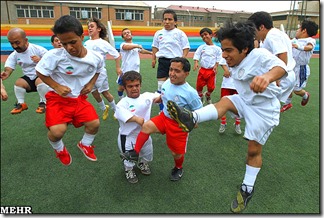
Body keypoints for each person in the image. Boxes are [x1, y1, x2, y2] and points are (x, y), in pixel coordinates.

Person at [167, 21, 288, 213]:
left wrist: (267, 77)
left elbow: (281, 66)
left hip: (264, 110)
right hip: (245, 100)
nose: (224, 55)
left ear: (245, 49)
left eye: (229, 50)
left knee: (253, 151)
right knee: (224, 101)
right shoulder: (233, 58)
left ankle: (247, 188)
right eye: (223, 49)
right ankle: (191, 118)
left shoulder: (259, 55)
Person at [35, 15, 104, 165]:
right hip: (57, 99)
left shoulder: (96, 57)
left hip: (78, 99)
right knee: (57, 132)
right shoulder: (55, 55)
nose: (69, 48)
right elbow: (40, 71)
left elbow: (98, 69)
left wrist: (91, 84)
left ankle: (85, 144)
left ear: (82, 36)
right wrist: (56, 86)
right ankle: (59, 149)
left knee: (94, 124)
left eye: (72, 42)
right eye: (64, 43)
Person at [121, 57, 203, 181]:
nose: (172, 73)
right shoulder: (167, 82)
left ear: (186, 74)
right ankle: (135, 153)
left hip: (178, 125)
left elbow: (200, 112)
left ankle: (178, 167)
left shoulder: (191, 93)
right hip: (164, 118)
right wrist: (161, 98)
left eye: (177, 71)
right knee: (147, 126)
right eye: (171, 69)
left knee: (176, 153)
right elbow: (164, 95)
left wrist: (194, 122)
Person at [114, 71, 160, 183]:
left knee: (147, 151)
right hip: (128, 137)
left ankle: (143, 163)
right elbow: (128, 117)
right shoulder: (122, 104)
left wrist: (162, 98)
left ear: (140, 85)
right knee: (130, 156)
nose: (134, 88)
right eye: (130, 86)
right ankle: (129, 169)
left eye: (137, 85)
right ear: (124, 88)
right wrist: (137, 119)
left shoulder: (147, 96)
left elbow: (160, 97)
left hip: (145, 134)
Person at [248, 11, 296, 112]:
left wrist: (277, 78)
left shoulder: (272, 36)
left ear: (261, 27)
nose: (253, 34)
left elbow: (282, 54)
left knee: (265, 108)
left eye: (253, 30)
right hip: (285, 75)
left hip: (282, 76)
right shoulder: (276, 34)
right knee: (268, 106)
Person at [1, 27, 49, 114]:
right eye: (12, 43)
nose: (15, 46)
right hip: (29, 79)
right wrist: (6, 73)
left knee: (40, 80)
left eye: (17, 42)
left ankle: (44, 103)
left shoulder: (38, 49)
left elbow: (51, 63)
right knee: (18, 83)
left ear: (26, 40)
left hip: (43, 77)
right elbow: (9, 67)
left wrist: (40, 60)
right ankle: (21, 104)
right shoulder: (14, 55)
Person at [152, 9, 190, 111]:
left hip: (175, 62)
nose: (167, 22)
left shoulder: (180, 33)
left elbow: (186, 47)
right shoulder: (158, 33)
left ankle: (177, 108)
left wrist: (183, 59)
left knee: (174, 86)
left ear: (175, 21)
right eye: (165, 19)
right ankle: (162, 110)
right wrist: (153, 59)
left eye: (170, 19)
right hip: (162, 61)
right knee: (161, 86)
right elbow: (155, 47)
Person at [84, 17, 120, 120]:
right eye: (88, 27)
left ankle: (116, 110)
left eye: (92, 26)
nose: (89, 29)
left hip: (100, 73)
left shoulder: (103, 43)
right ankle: (104, 108)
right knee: (94, 92)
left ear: (98, 29)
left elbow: (116, 55)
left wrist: (117, 68)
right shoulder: (86, 43)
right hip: (88, 73)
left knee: (105, 92)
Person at [280, 20, 318, 111]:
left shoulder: (310, 40)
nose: (297, 30)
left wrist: (298, 47)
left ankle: (305, 95)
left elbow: (309, 47)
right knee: (287, 85)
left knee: (297, 90)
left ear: (304, 30)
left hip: (301, 69)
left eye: (298, 28)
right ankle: (287, 103)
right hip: (291, 67)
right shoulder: (294, 40)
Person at [117, 28, 153, 99]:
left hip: (136, 71)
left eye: (128, 32)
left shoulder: (134, 45)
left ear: (131, 35)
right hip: (125, 71)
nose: (127, 34)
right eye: (125, 33)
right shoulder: (123, 45)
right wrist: (137, 45)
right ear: (123, 37)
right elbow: (127, 47)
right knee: (122, 87)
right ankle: (121, 98)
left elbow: (141, 50)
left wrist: (150, 53)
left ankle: (133, 99)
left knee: (134, 86)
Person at [193, 27, 222, 104]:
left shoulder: (217, 48)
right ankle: (200, 96)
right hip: (202, 70)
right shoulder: (202, 47)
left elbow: (219, 57)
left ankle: (208, 94)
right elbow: (197, 54)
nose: (204, 37)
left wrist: (216, 65)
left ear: (211, 35)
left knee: (211, 87)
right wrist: (196, 62)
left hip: (211, 71)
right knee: (199, 86)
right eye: (202, 36)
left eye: (206, 34)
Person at [218, 57, 242, 134]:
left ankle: (237, 124)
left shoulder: (245, 54)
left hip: (239, 85)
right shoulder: (229, 52)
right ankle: (223, 122)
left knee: (238, 105)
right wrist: (226, 70)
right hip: (226, 84)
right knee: (223, 104)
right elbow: (222, 62)